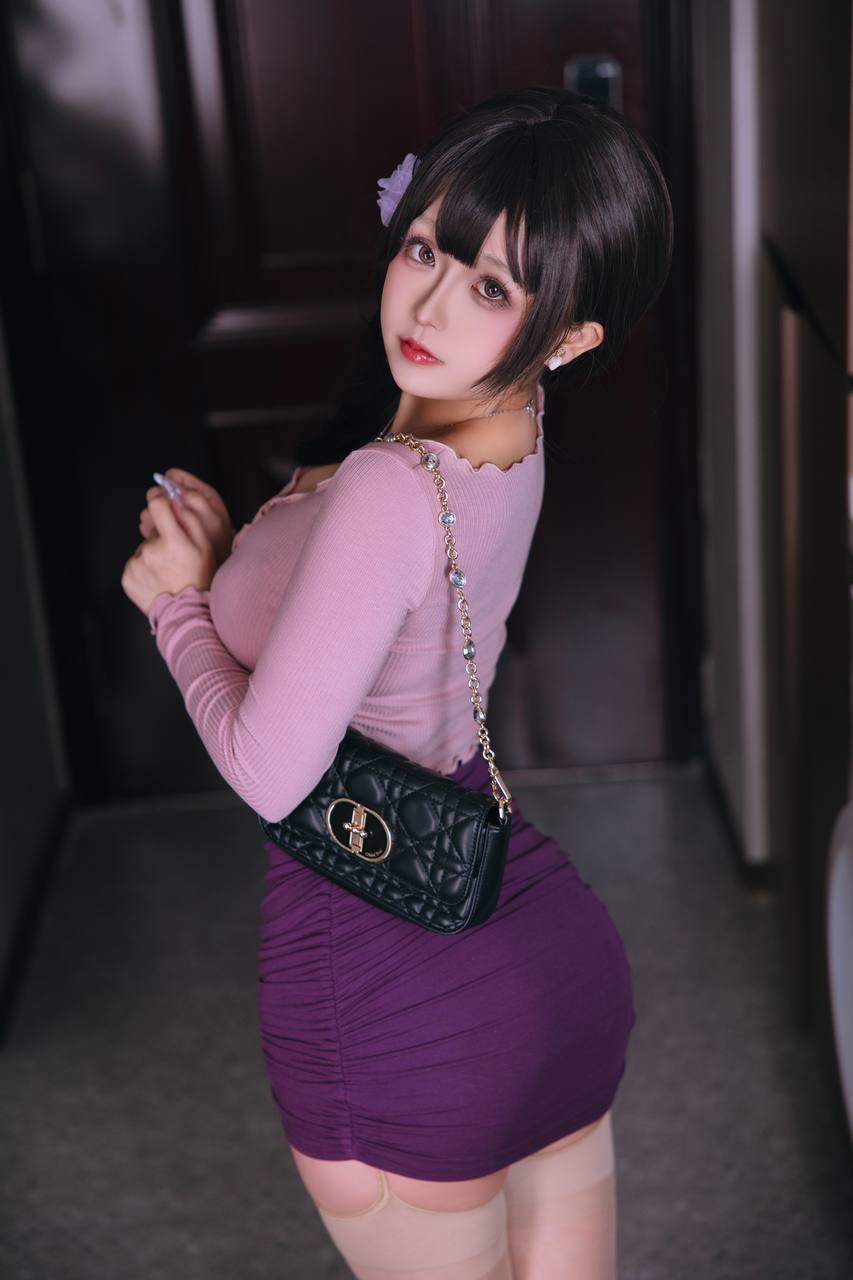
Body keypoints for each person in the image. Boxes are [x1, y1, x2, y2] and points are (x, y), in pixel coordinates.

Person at [122, 85, 673, 1280]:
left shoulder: (387, 485)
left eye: (492, 287)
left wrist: (176, 604)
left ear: (571, 335)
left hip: (388, 989)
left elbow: (273, 772)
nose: (427, 305)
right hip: (546, 953)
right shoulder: (511, 422)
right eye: (425, 247)